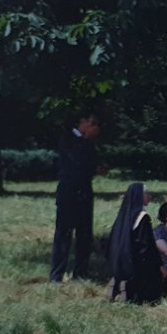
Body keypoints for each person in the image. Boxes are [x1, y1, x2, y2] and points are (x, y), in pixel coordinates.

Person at [49, 111, 100, 283]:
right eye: (93, 124)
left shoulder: (89, 143)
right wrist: (86, 141)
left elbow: (92, 166)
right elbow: (76, 163)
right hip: (68, 195)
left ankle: (81, 272)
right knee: (63, 234)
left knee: (84, 235)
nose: (95, 128)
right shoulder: (68, 139)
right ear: (83, 122)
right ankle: (56, 275)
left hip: (84, 194)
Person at [107, 184, 163, 304]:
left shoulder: (123, 217)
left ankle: (118, 284)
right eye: (147, 193)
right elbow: (147, 246)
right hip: (136, 265)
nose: (149, 196)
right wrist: (158, 263)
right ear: (139, 196)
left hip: (119, 263)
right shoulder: (142, 218)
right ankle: (127, 289)